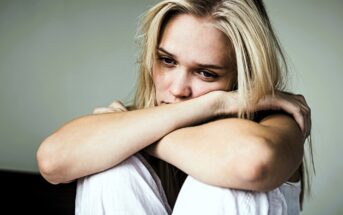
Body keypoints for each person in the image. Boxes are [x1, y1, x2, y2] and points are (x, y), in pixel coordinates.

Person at [36, 0, 314, 214]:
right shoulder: (136, 120)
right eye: (167, 61)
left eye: (206, 73)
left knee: (225, 180)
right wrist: (217, 101)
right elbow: (51, 161)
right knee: (112, 171)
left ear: (242, 77)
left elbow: (252, 163)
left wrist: (138, 138)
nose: (179, 89)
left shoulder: (276, 122)